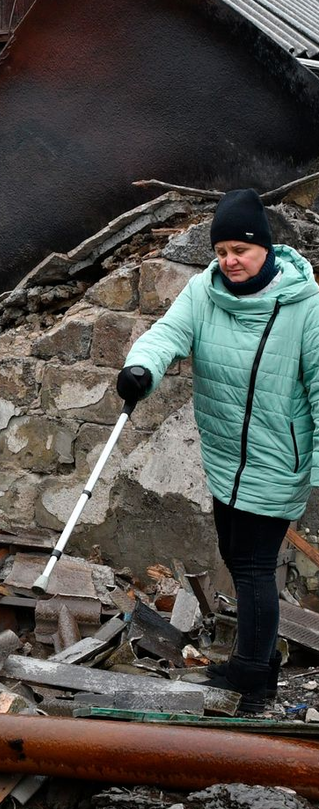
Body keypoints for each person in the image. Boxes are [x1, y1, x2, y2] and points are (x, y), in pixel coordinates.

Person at [116, 187, 319, 714]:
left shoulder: (306, 307)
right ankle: (252, 660)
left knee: (252, 566)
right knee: (236, 556)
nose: (229, 261)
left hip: (277, 459)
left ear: (266, 249)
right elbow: (167, 334)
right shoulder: (204, 292)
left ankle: (254, 679)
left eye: (241, 251)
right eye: (222, 250)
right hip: (226, 455)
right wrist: (142, 368)